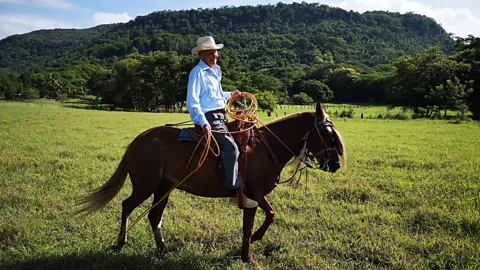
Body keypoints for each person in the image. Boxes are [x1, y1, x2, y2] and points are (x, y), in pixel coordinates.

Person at [186, 36, 258, 208]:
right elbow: (193, 101)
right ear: (201, 54)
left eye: (215, 53)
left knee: (247, 135)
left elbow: (215, 97)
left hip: (221, 116)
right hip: (210, 118)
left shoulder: (215, 71)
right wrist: (203, 123)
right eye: (210, 53)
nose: (214, 56)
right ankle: (234, 191)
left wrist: (230, 94)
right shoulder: (197, 73)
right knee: (231, 148)